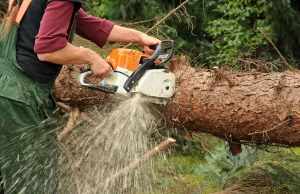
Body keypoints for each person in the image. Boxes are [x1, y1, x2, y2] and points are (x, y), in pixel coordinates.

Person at [0, 0, 161, 193]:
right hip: (20, 98)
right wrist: (91, 57)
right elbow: (48, 49)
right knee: (35, 184)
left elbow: (87, 23)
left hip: (6, 89)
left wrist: (140, 37)